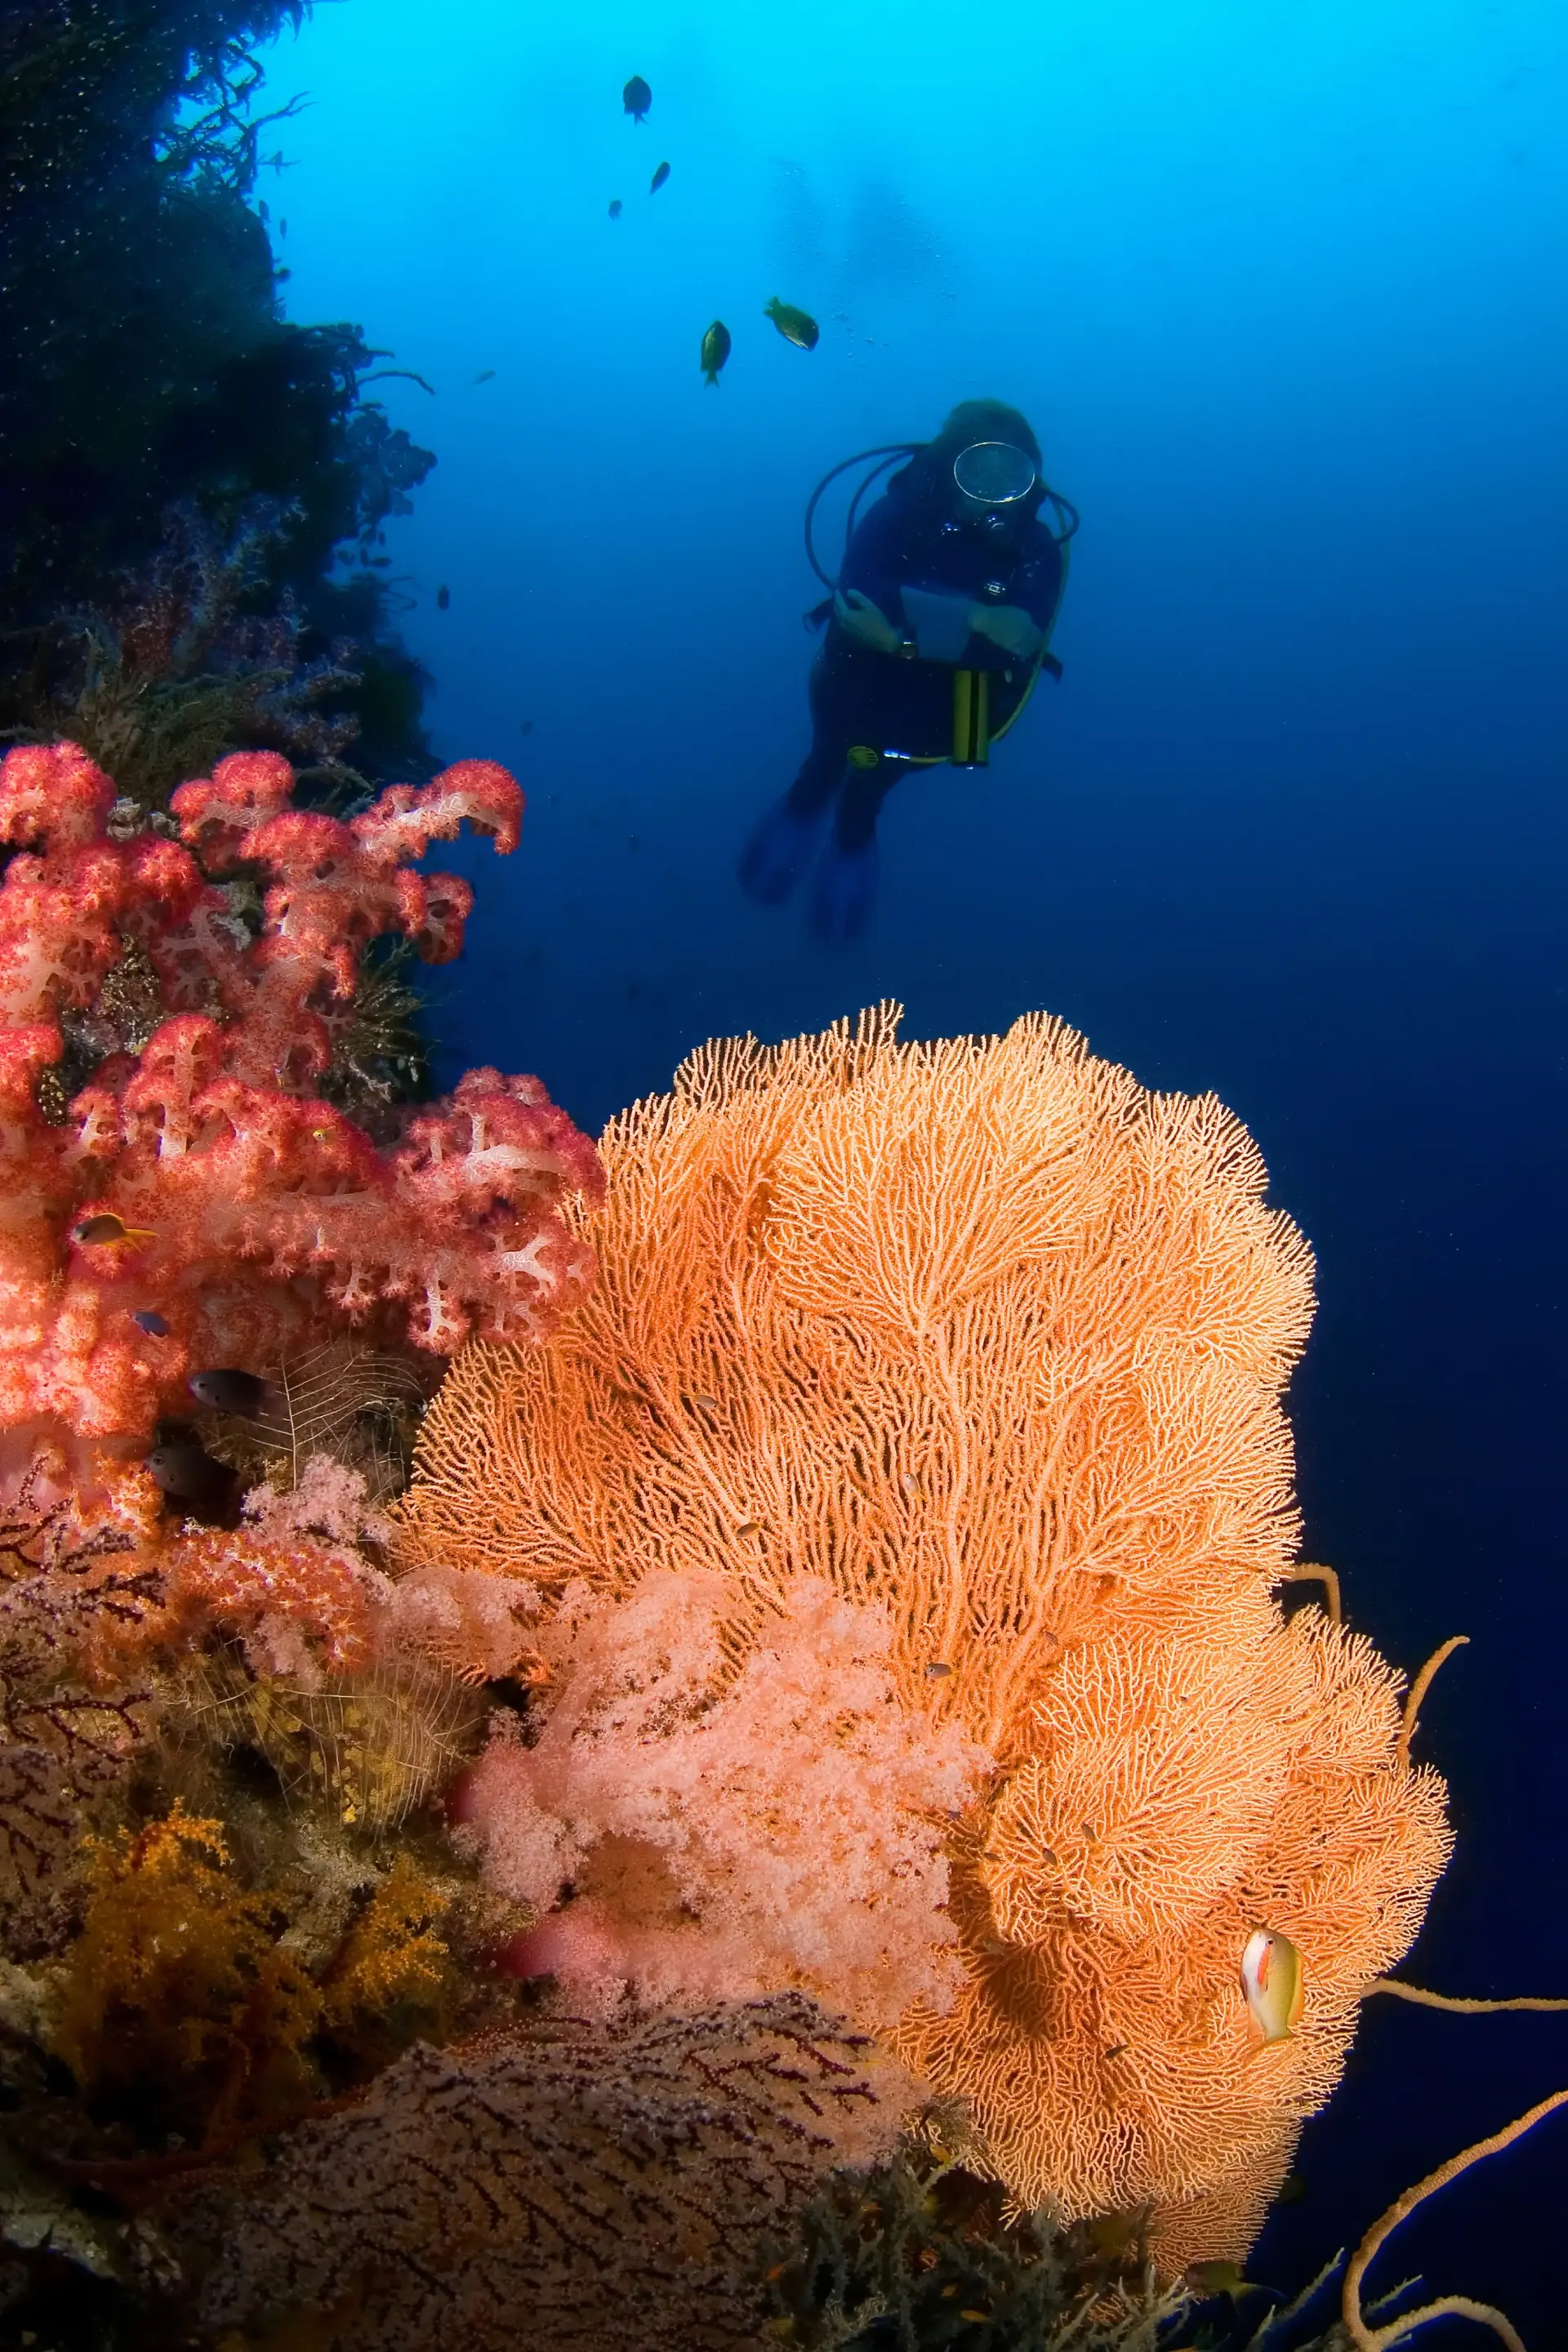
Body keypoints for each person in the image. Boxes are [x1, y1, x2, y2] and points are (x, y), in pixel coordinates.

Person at [738, 399, 1075, 944]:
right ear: (949, 466)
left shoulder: (1035, 551)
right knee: (824, 763)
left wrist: (901, 636)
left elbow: (1017, 652)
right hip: (854, 685)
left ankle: (848, 840)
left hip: (938, 716)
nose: (992, 492)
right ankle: (805, 817)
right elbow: (858, 600)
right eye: (978, 469)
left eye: (1010, 475)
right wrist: (977, 618)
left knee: (867, 791)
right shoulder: (901, 514)